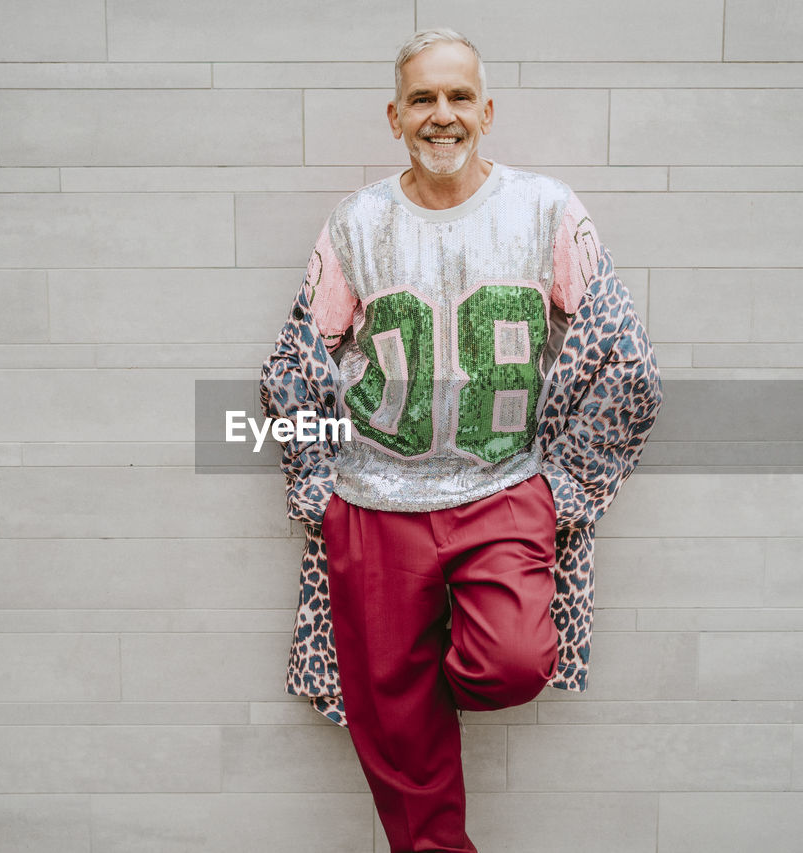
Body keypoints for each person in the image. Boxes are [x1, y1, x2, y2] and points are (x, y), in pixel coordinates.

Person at [259, 28, 662, 853]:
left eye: (457, 97)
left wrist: (563, 489)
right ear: (394, 116)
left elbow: (625, 355)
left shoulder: (546, 209)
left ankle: (406, 680)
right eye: (422, 99)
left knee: (510, 659)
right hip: (374, 504)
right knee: (400, 746)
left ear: (486, 110)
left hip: (503, 492)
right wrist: (317, 492)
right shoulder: (357, 223)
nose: (441, 115)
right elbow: (295, 361)